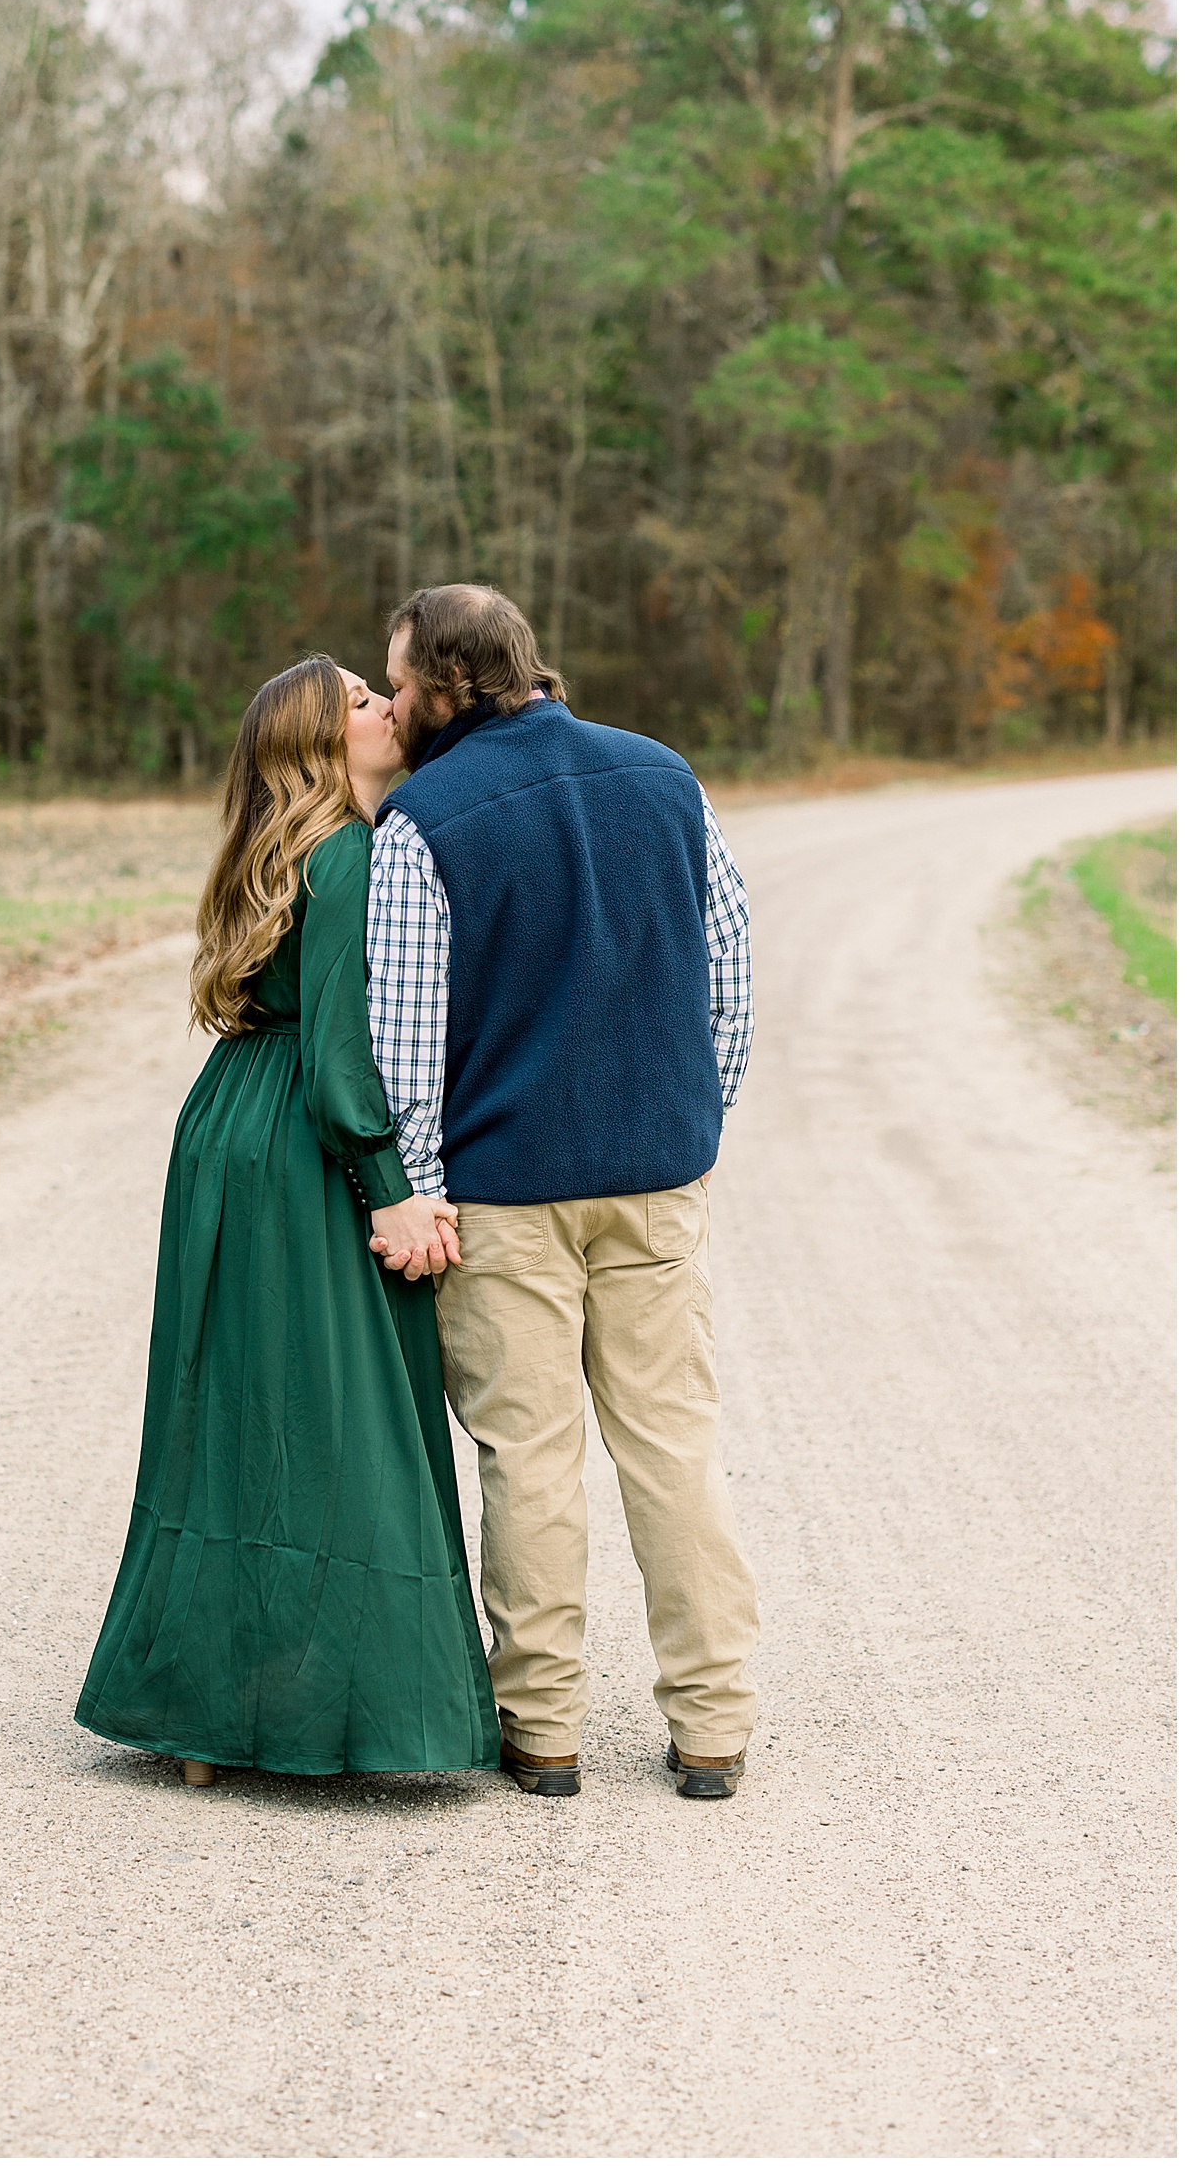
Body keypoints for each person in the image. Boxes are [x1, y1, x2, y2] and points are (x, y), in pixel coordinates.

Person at [366, 583, 761, 1802]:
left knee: (527, 1455)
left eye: (397, 681)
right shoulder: (667, 778)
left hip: (503, 1197)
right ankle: (713, 1723)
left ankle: (541, 1727)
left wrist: (422, 1185)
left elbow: (403, 1041)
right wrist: (687, 1128)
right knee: (673, 1445)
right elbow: (729, 985)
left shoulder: (423, 818)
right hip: (655, 1178)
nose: (391, 703)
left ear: (444, 686)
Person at [75, 655, 497, 1788]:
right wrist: (392, 1184)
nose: (386, 707)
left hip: (225, 1125)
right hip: (304, 1146)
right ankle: (341, 1715)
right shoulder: (351, 853)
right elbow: (340, 1052)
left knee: (232, 1416)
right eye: (362, 700)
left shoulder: (274, 854)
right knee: (338, 1413)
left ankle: (205, 1715)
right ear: (321, 745)